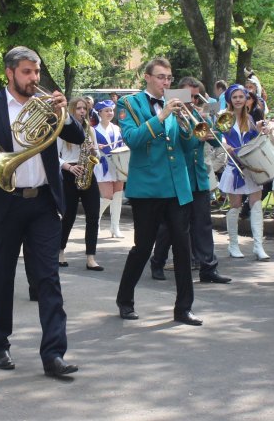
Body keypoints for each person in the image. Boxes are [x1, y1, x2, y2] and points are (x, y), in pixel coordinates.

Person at [0, 46, 86, 378]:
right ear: (10, 73)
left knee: (48, 279)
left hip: (44, 203)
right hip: (6, 203)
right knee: (1, 278)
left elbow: (78, 135)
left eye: (37, 71)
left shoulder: (47, 105)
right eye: (27, 72)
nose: (34, 78)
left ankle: (53, 354)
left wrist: (67, 113)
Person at [111, 57, 203, 326]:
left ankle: (184, 308)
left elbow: (185, 147)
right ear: (147, 77)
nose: (166, 82)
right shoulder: (129, 104)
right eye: (161, 77)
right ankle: (125, 300)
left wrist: (197, 132)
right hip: (148, 188)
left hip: (177, 187)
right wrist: (161, 117)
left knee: (183, 249)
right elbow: (133, 140)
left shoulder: (177, 104)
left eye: (169, 78)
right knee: (143, 247)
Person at [148, 76, 231, 284]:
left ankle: (208, 268)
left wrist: (213, 134)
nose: (192, 101)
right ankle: (157, 261)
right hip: (177, 177)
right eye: (188, 96)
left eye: (196, 97)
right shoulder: (170, 116)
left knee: (203, 224)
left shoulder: (199, 115)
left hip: (198, 175)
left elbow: (217, 143)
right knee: (171, 226)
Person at [218, 84, 269, 260]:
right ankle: (233, 245)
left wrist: (262, 132)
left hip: (250, 167)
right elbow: (219, 138)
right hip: (234, 168)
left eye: (241, 96)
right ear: (230, 100)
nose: (239, 100)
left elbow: (255, 141)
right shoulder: (224, 117)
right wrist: (225, 145)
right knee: (235, 206)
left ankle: (258, 246)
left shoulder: (250, 118)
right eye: (235, 97)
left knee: (256, 204)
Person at [57, 97, 103, 271]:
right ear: (71, 110)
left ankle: (91, 257)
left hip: (87, 171)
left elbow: (97, 156)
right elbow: (54, 155)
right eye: (78, 109)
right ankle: (60, 251)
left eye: (84, 108)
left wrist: (92, 150)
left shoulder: (89, 129)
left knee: (93, 215)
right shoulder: (63, 129)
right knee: (68, 216)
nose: (82, 111)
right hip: (69, 172)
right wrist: (68, 167)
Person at [91, 100, 125, 238]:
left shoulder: (116, 128)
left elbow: (121, 145)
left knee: (118, 196)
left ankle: (115, 227)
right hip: (102, 164)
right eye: (106, 111)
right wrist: (96, 148)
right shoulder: (93, 129)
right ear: (99, 113)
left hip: (117, 164)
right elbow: (89, 149)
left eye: (111, 110)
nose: (110, 113)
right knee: (107, 197)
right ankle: (94, 222)